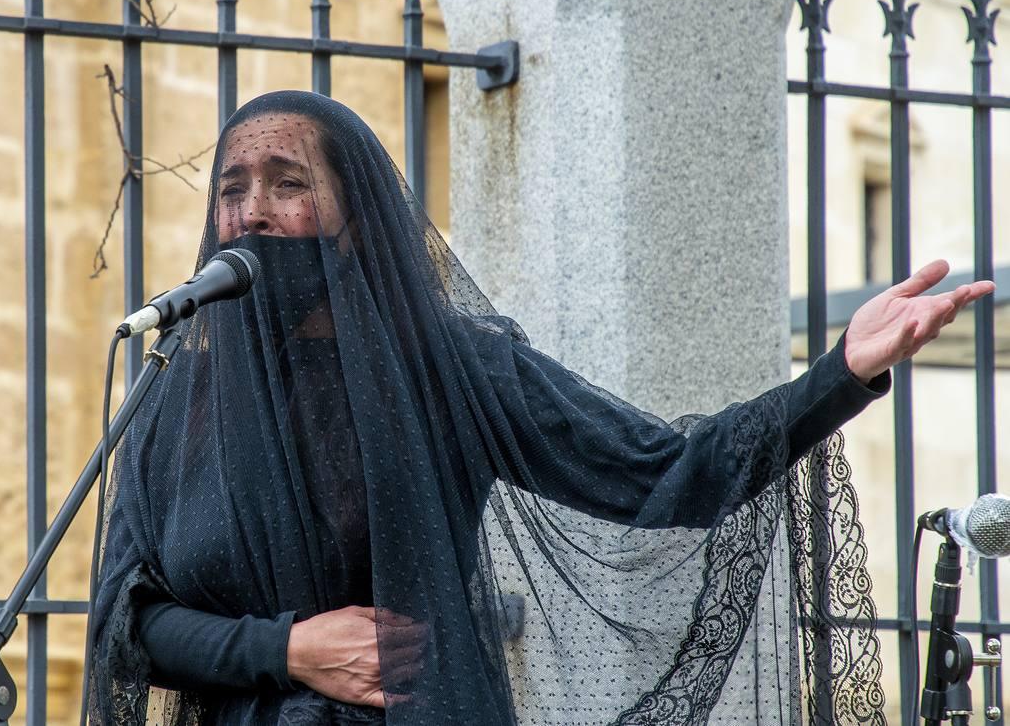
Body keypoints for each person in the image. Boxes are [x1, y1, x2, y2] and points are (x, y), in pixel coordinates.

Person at [85, 90, 993, 726]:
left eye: (288, 184)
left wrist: (840, 371)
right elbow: (130, 623)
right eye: (233, 190)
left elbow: (664, 472)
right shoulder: (174, 388)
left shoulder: (450, 370)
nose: (253, 212)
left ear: (355, 214)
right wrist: (285, 651)